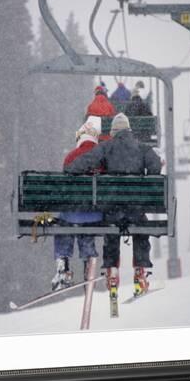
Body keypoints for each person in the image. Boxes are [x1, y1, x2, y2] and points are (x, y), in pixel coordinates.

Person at [64, 112, 162, 296]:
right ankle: (140, 269)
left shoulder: (106, 147)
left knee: (111, 231)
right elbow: (156, 166)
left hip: (112, 208)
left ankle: (111, 270)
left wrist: (70, 169)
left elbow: (86, 162)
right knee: (141, 232)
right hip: (135, 209)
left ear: (114, 131)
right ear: (129, 129)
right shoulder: (142, 148)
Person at [51, 119, 103, 291]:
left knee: (65, 224)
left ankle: (63, 263)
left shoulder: (70, 157)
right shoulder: (102, 156)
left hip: (72, 213)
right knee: (87, 226)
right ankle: (89, 262)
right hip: (95, 215)